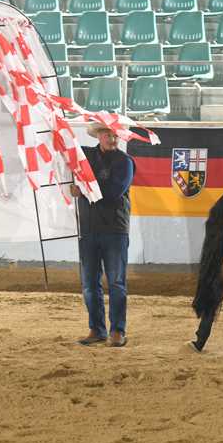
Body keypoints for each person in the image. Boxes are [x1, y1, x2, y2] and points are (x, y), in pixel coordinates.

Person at [71, 122, 135, 348]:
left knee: (115, 282)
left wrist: (82, 189)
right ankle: (97, 329)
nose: (111, 138)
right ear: (98, 135)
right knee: (90, 284)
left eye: (114, 134)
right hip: (89, 229)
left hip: (115, 229)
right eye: (107, 134)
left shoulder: (125, 162)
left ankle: (117, 330)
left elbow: (112, 192)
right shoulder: (85, 155)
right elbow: (63, 149)